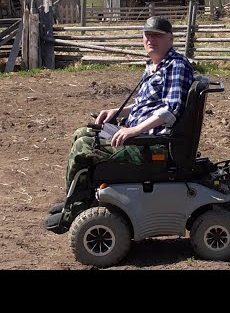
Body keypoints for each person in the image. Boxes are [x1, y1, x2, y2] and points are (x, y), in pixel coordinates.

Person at [44, 16, 195, 231]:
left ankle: (75, 211)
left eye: (157, 36)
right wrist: (117, 112)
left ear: (170, 39)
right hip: (140, 136)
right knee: (82, 133)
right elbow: (146, 105)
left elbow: (171, 109)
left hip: (151, 144)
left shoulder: (176, 66)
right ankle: (76, 200)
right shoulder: (154, 65)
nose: (151, 40)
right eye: (147, 35)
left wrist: (134, 130)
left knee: (83, 147)